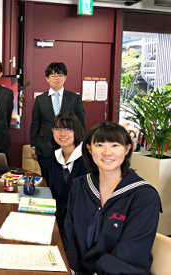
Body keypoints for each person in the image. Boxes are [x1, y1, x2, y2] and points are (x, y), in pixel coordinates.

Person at [64, 122, 161, 274]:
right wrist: (70, 269)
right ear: (89, 149)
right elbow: (69, 235)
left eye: (115, 145)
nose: (107, 152)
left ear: (127, 149)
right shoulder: (80, 186)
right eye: (100, 145)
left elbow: (131, 252)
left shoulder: (144, 196)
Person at [30, 62, 85, 185]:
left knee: (67, 181)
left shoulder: (74, 98)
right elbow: (35, 123)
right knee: (47, 181)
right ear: (47, 79)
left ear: (65, 78)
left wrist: (81, 145)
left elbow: (81, 124)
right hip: (45, 148)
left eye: (59, 75)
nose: (56, 78)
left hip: (68, 148)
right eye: (52, 75)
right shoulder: (40, 99)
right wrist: (33, 146)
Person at [47, 112, 87, 240]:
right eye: (58, 129)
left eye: (68, 129)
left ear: (76, 131)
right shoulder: (54, 157)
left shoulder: (88, 159)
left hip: (79, 226)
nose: (62, 134)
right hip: (57, 220)